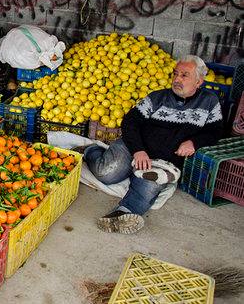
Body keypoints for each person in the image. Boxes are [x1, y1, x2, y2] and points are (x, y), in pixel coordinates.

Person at [82, 55, 223, 234]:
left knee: (148, 186)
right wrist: (138, 151)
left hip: (163, 161)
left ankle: (120, 215)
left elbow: (215, 131)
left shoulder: (209, 102)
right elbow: (130, 122)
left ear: (199, 81)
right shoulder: (157, 97)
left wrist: (194, 142)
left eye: (184, 75)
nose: (177, 79)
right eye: (175, 74)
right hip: (134, 148)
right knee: (106, 174)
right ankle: (91, 150)